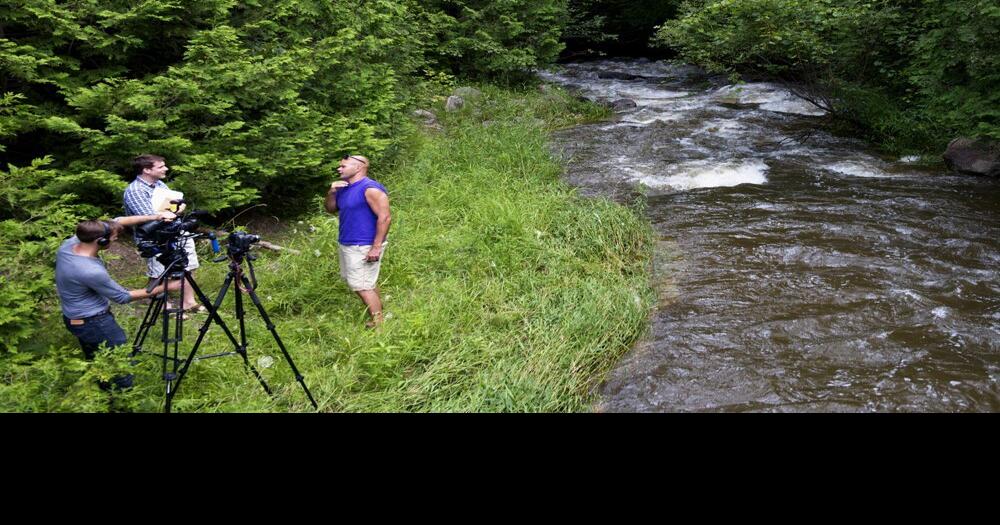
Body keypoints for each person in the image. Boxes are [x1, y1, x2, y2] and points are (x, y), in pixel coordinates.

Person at [55, 213, 179, 388]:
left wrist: (157, 216)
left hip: (74, 319)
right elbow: (122, 296)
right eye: (113, 239)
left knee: (98, 361)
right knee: (119, 365)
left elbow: (118, 221)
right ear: (101, 241)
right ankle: (122, 397)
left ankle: (102, 392)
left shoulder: (69, 245)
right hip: (95, 323)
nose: (115, 241)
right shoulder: (89, 270)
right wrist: (169, 287)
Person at [123, 154, 202, 312]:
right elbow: (151, 219)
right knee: (159, 271)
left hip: (176, 230)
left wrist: (179, 209)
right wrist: (169, 213)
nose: (165, 169)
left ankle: (189, 302)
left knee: (188, 264)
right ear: (146, 170)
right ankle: (162, 305)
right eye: (160, 166)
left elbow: (170, 209)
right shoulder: (135, 191)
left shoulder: (159, 185)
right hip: (156, 237)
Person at [324, 154, 392, 328]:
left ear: (359, 167)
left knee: (361, 286)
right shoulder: (343, 188)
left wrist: (376, 247)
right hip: (347, 242)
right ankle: (380, 313)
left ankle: (379, 324)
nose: (339, 169)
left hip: (364, 244)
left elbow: (384, 218)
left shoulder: (371, 189)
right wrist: (331, 192)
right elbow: (331, 209)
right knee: (364, 282)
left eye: (343, 166)